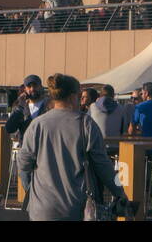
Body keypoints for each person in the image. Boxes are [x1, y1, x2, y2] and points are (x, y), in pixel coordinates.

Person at [14, 73, 127, 221]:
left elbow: (23, 163)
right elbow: (103, 165)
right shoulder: (86, 124)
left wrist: (31, 190)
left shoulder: (37, 125)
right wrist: (119, 192)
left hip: (42, 208)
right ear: (73, 95)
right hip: (77, 207)